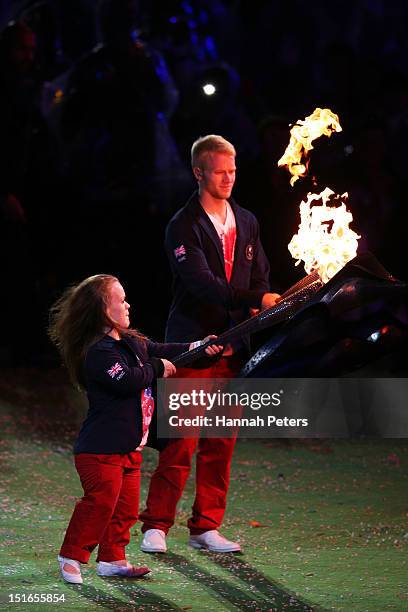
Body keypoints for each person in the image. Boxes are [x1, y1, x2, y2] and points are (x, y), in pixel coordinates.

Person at [139, 134, 280, 553]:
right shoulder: (182, 226)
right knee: (181, 440)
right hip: (193, 347)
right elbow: (202, 286)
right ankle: (156, 525)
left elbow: (260, 275)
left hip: (235, 351)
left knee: (220, 443)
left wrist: (259, 303)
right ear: (199, 172)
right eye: (220, 171)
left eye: (233, 171)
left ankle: (205, 527)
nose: (228, 178)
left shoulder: (247, 220)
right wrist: (255, 299)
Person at [48, 274, 222, 584]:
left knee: (125, 510)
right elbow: (127, 379)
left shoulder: (131, 342)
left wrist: (199, 347)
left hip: (129, 449)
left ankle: (112, 559)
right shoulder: (98, 352)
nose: (128, 304)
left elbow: (166, 349)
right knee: (100, 504)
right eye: (120, 300)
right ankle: (71, 556)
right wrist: (157, 367)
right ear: (103, 310)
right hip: (101, 450)